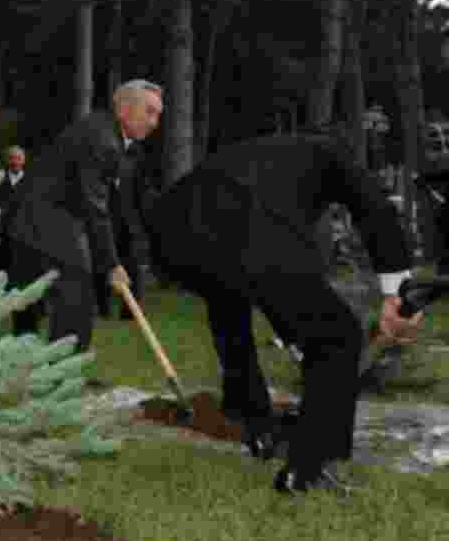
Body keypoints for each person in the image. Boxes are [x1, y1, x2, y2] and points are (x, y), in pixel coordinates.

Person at [144, 132, 423, 495]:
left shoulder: (270, 155)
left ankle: (253, 420)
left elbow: (270, 280)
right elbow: (374, 208)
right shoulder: (334, 156)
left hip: (175, 235)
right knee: (338, 336)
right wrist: (396, 296)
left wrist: (293, 329)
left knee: (228, 303)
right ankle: (310, 465)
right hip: (245, 221)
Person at [5, 79, 163, 354]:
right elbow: (94, 205)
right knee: (76, 302)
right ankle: (62, 377)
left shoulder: (106, 133)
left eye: (158, 114)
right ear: (124, 108)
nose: (154, 122)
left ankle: (30, 372)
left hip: (36, 219)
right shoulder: (103, 139)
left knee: (32, 304)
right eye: (149, 111)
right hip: (48, 220)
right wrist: (112, 264)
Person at [93, 111, 154, 320]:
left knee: (133, 267)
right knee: (103, 265)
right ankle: (103, 308)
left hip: (130, 223)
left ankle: (131, 312)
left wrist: (144, 222)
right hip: (106, 221)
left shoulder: (138, 155)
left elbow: (143, 191)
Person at [0, 145, 26, 275]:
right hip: (1, 237)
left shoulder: (30, 182)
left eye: (18, 158)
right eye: (12, 158)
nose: (15, 162)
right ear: (7, 161)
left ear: (23, 161)